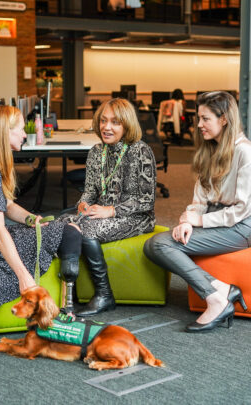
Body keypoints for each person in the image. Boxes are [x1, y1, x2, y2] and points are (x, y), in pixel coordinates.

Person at [144, 91, 251, 333]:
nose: (198, 125)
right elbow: (201, 197)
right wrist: (189, 220)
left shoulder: (245, 152)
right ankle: (222, 289)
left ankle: (216, 299)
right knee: (153, 245)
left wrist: (199, 220)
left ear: (224, 119)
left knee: (161, 245)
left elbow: (242, 209)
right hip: (213, 218)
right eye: (199, 118)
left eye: (205, 119)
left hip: (241, 225)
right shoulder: (210, 149)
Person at [0, 105, 82, 312]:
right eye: (21, 129)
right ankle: (68, 306)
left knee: (62, 226)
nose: (25, 134)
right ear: (4, 132)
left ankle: (66, 299)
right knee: (69, 232)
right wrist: (24, 277)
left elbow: (7, 205)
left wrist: (32, 219)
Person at [62, 98, 157, 316]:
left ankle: (104, 295)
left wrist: (111, 211)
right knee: (61, 224)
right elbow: (89, 190)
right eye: (103, 121)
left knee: (86, 231)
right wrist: (83, 204)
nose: (107, 127)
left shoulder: (140, 151)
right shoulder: (97, 151)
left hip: (136, 217)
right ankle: (68, 292)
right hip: (100, 213)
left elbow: (146, 200)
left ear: (127, 125)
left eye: (115, 122)